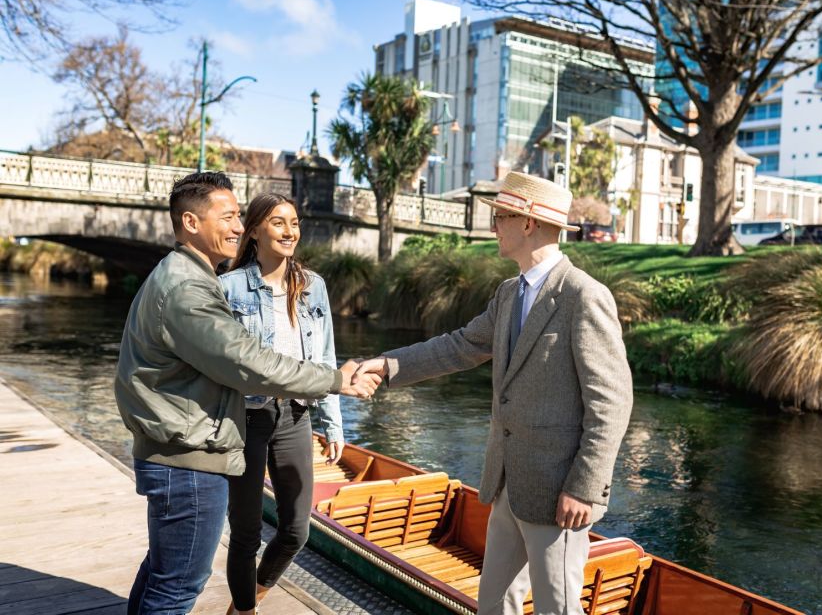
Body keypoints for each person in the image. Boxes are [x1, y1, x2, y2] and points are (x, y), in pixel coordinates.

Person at [354, 172, 633, 615]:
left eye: (500, 217)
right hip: (505, 483)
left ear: (528, 223)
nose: (493, 226)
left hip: (559, 494)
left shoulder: (584, 296)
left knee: (557, 609)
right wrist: (388, 365)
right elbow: (459, 346)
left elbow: (612, 402)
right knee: (493, 604)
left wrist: (584, 487)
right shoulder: (508, 294)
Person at [115, 172, 379, 615]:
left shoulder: (188, 275)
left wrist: (329, 409)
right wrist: (335, 380)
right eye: (230, 216)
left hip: (197, 442)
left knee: (166, 575)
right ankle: (245, 608)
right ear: (192, 222)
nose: (237, 226)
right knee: (179, 586)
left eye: (240, 216)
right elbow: (249, 363)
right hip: (191, 455)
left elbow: (301, 350)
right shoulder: (195, 287)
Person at [218, 194, 343, 615]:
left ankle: (243, 604)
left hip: (295, 416)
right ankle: (247, 611)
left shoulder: (313, 286)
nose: (290, 231)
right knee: (246, 534)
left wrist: (333, 423)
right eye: (278, 222)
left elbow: (325, 359)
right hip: (245, 418)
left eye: (294, 222)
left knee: (296, 530)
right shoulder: (228, 287)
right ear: (253, 230)